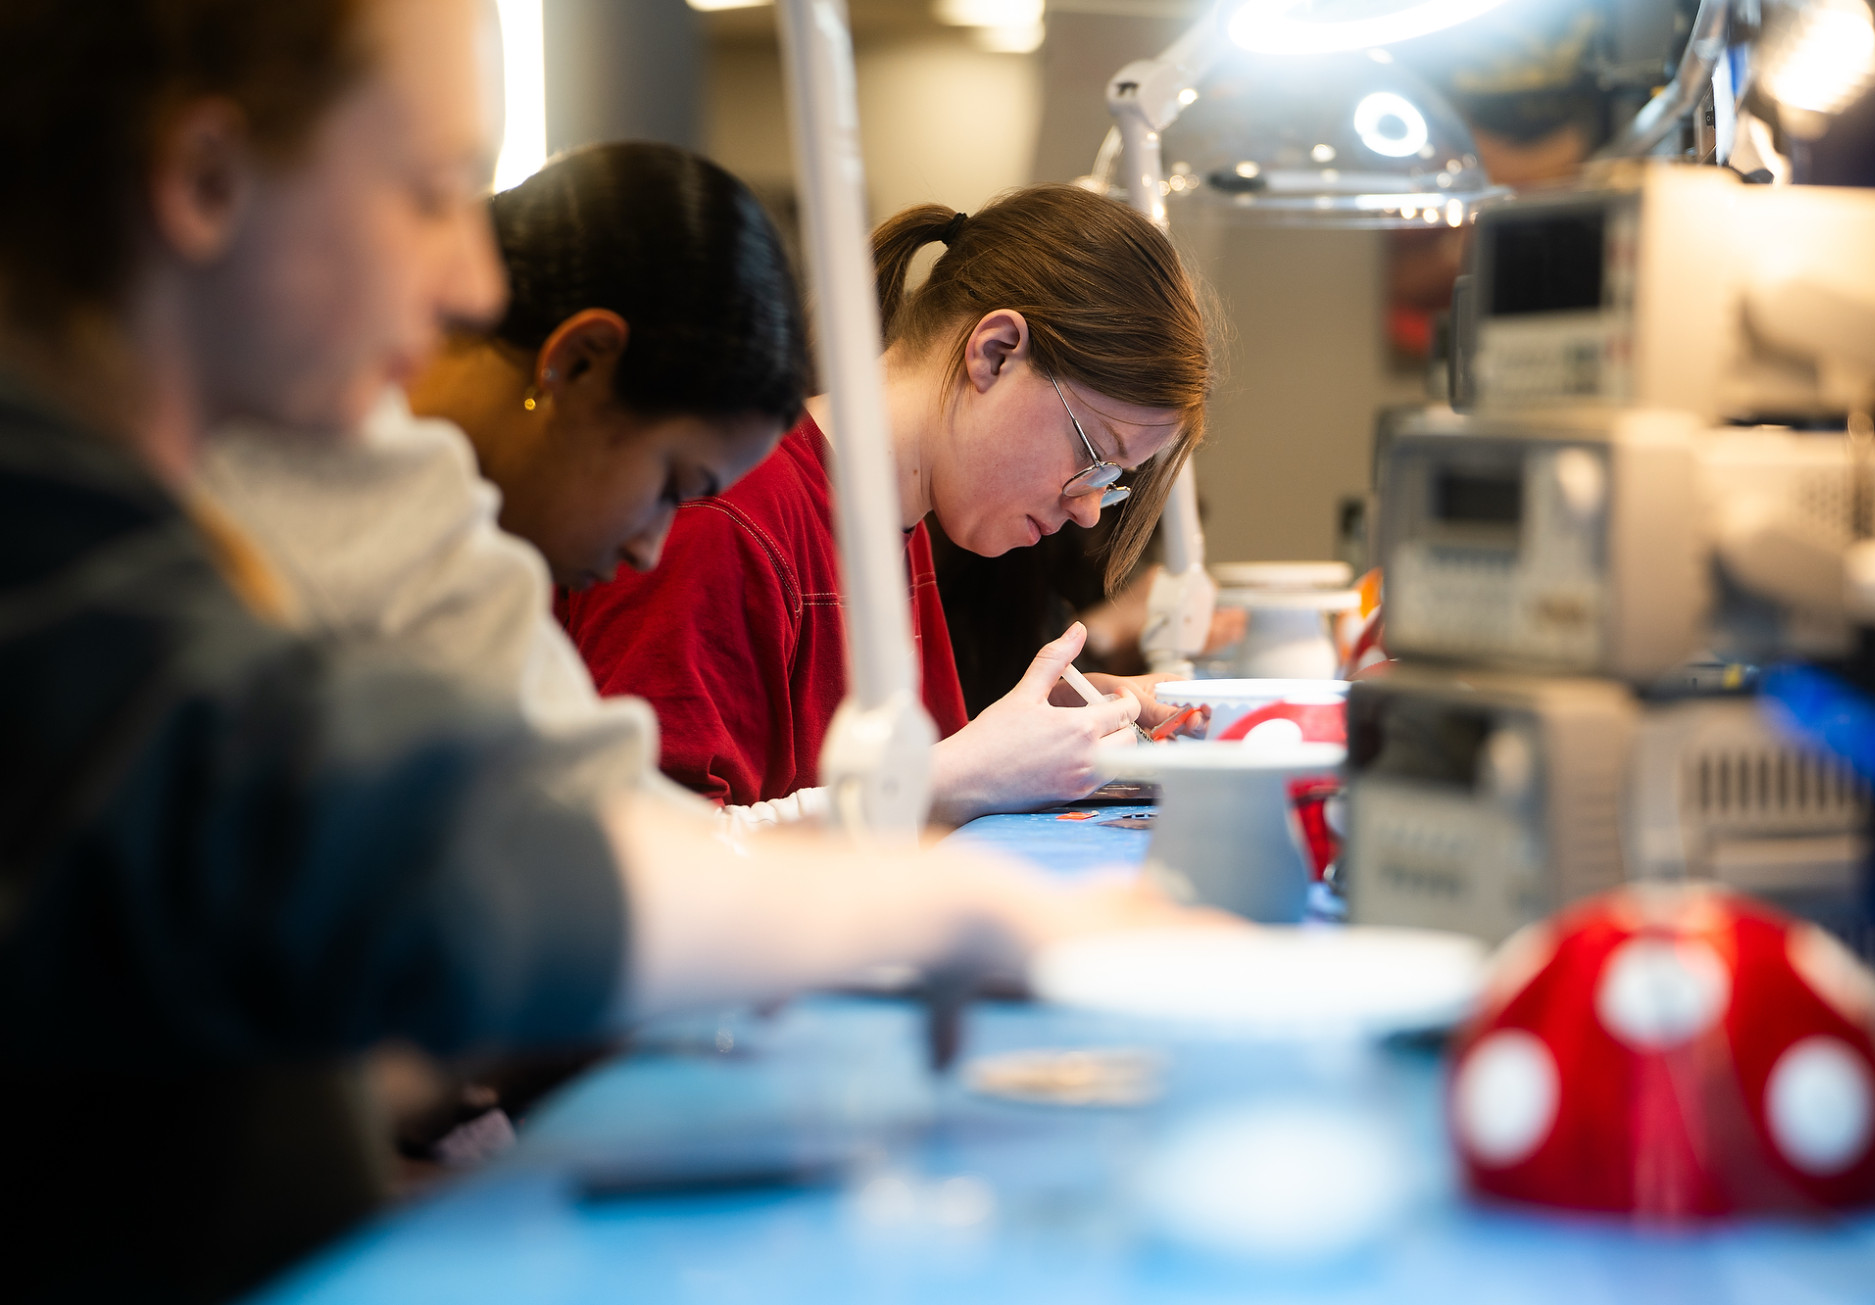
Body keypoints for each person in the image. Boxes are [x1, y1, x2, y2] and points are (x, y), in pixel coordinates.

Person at [0, 3, 1190, 1299]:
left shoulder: (203, 491)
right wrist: (950, 903)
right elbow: (405, 845)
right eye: (432, 189)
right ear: (206, 181)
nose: (470, 278)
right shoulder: (56, 558)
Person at [198, 140, 810, 827]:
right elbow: (623, 833)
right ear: (578, 363)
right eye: (671, 485)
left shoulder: (343, 449)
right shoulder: (394, 521)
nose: (649, 547)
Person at [561, 186, 1215, 825]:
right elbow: (644, 866)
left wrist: (1061, 729)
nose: (1088, 511)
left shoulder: (893, 527)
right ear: (995, 353)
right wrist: (955, 776)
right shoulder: (728, 521)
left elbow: (877, 790)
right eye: (1092, 456)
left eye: (1113, 480)